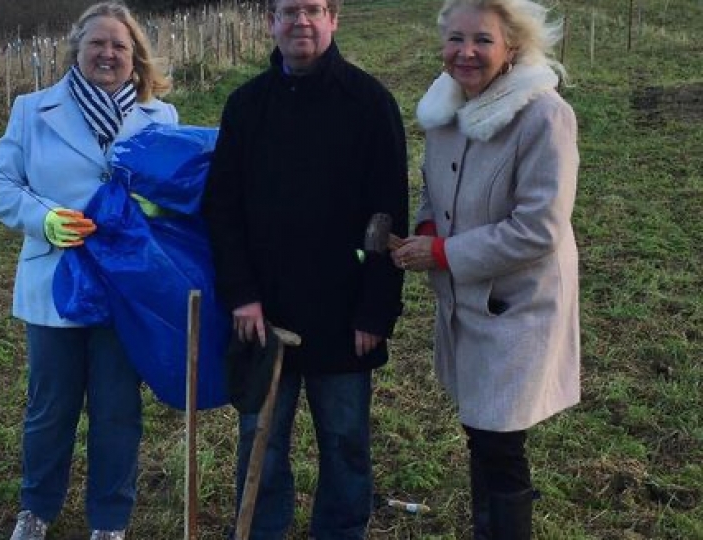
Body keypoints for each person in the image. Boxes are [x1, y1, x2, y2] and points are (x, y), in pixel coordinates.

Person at [201, 0, 409, 538]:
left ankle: (340, 532)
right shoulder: (246, 106)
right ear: (271, 22)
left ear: (333, 19)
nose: (302, 21)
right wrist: (241, 294)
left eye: (314, 9)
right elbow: (222, 209)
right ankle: (261, 530)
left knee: (344, 442)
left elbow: (386, 216)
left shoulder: (369, 103)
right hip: (262, 314)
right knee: (260, 443)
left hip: (343, 316)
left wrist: (375, 309)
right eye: (289, 10)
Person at [0, 3, 178, 539]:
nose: (108, 53)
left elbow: (174, 193)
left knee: (117, 410)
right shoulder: (32, 110)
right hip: (54, 282)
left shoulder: (162, 118)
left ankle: (109, 520)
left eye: (119, 45)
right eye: (98, 43)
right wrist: (42, 219)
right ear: (77, 49)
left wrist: (156, 210)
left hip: (125, 288)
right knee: (50, 407)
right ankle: (36, 508)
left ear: (134, 55)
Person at [391, 0, 580, 538]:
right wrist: (427, 233)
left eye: (482, 40)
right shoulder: (444, 109)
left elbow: (539, 228)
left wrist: (446, 254)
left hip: (517, 304)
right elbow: (434, 190)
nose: (465, 52)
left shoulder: (544, 116)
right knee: (482, 430)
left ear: (512, 47)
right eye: (455, 38)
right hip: (466, 301)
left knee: (499, 436)